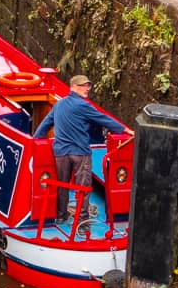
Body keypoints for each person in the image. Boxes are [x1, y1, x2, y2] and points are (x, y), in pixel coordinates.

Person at [33, 74, 130, 226]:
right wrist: (125, 130)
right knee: (83, 187)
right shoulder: (83, 105)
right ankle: (82, 220)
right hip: (80, 153)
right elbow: (103, 119)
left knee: (61, 184)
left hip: (61, 153)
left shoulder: (59, 105)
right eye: (82, 86)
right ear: (73, 87)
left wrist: (35, 141)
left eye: (87, 85)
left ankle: (60, 215)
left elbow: (45, 125)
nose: (86, 89)